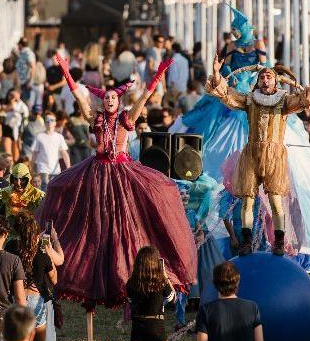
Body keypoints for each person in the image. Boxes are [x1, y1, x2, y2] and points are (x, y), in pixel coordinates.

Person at [37, 55, 196, 305]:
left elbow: (143, 98)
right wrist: (67, 73)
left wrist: (158, 75)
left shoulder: (126, 119)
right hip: (97, 172)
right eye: (106, 97)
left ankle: (137, 275)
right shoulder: (96, 118)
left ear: (119, 100)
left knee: (131, 219)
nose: (110, 99)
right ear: (102, 100)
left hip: (122, 172)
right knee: (83, 211)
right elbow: (79, 98)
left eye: (113, 97)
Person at [205, 57, 310, 255]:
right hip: (251, 155)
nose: (265, 79)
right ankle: (246, 240)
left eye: (269, 76)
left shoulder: (284, 100)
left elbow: (305, 100)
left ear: (275, 81)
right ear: (258, 81)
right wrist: (217, 74)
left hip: (274, 157)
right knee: (247, 200)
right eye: (262, 77)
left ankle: (278, 240)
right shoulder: (250, 100)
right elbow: (226, 94)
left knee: (276, 200)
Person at [5, 211, 63, 341]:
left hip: (16, 299)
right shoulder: (42, 251)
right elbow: (54, 278)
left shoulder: (10, 248)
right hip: (36, 300)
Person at [30, 113, 70, 186]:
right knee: (45, 188)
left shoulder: (59, 137)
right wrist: (31, 167)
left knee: (54, 190)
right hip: (42, 169)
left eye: (52, 120)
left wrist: (68, 167)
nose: (49, 122)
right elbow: (34, 153)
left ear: (55, 122)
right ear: (44, 123)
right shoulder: (39, 136)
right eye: (47, 121)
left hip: (55, 170)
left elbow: (64, 153)